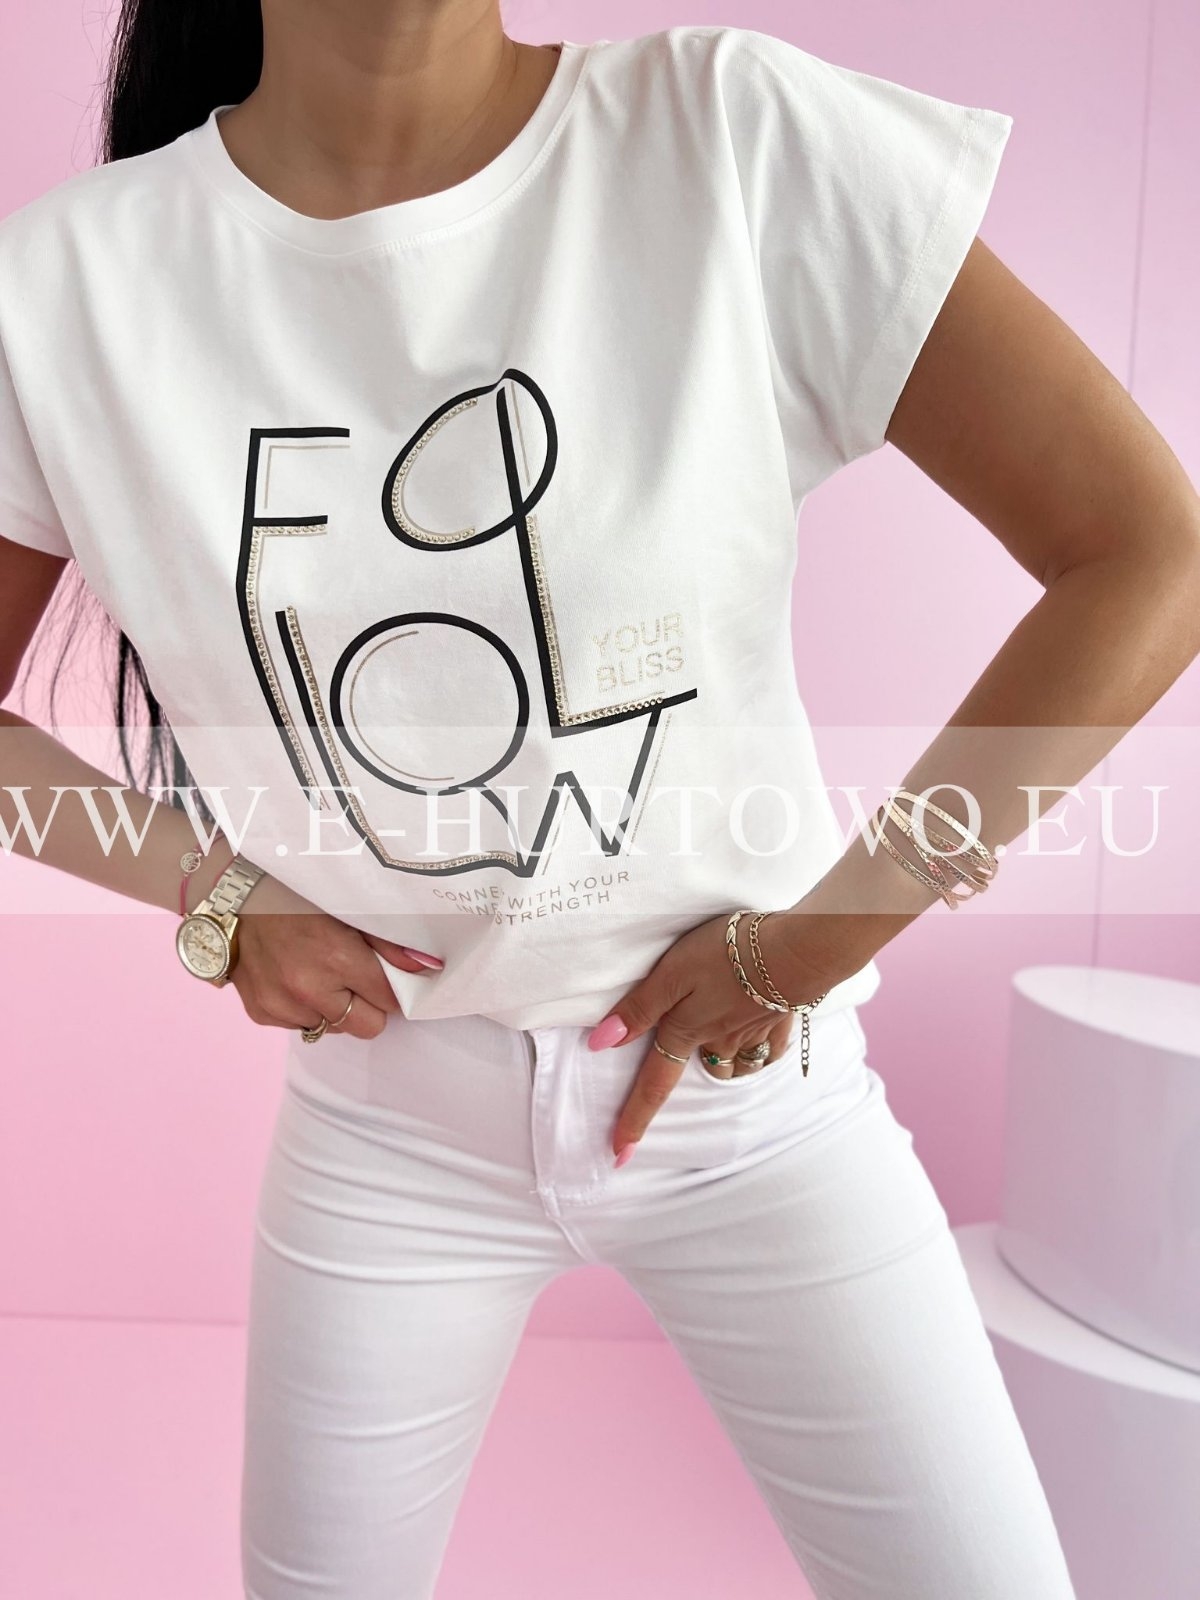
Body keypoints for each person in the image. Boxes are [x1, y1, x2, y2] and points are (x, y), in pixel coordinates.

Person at [3, 4, 1198, 1597]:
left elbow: (1147, 551)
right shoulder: (70, 285)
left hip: (758, 1113)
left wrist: (828, 935)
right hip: (391, 1134)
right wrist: (216, 897)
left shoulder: (725, 137)